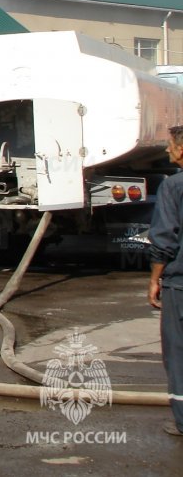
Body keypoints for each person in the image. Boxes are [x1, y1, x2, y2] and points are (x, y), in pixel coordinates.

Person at [148, 124, 183, 437]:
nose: (167, 150)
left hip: (180, 285)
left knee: (178, 351)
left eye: (170, 145)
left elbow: (165, 239)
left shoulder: (174, 187)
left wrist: (155, 279)